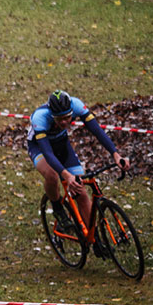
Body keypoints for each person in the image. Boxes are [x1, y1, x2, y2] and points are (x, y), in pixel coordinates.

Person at [27, 90, 129, 253]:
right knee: (52, 175)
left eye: (68, 117)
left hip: (61, 144)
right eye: (60, 119)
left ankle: (94, 239)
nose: (65, 121)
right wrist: (66, 175)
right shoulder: (40, 117)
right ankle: (58, 209)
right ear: (52, 116)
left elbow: (97, 131)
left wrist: (115, 154)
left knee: (80, 191)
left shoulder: (77, 105)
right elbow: (48, 153)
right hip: (40, 147)